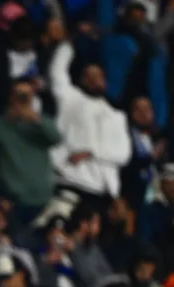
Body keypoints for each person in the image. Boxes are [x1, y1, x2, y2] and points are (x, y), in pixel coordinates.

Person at [48, 36, 131, 208]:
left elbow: (123, 154)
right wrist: (67, 45)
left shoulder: (116, 116)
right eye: (89, 76)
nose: (95, 80)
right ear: (81, 80)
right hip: (68, 178)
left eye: (99, 76)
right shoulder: (69, 98)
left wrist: (91, 153)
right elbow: (56, 72)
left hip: (101, 188)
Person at [0, 78, 62, 223]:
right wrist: (9, 119)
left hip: (42, 196)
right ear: (11, 96)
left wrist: (36, 120)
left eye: (26, 95)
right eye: (19, 94)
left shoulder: (42, 121)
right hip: (13, 197)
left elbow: (56, 138)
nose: (22, 98)